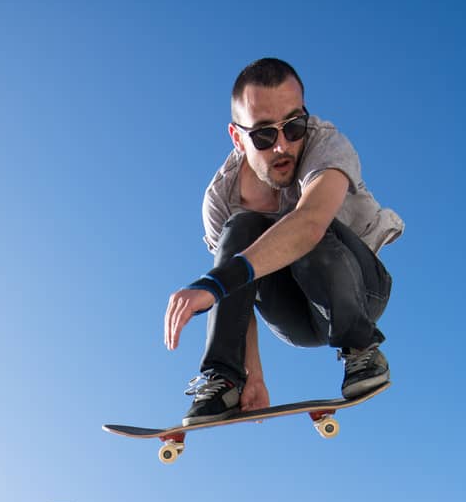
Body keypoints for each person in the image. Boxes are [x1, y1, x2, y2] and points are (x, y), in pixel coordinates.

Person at [164, 57, 403, 425]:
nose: (282, 147)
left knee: (302, 231)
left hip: (358, 292)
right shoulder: (220, 199)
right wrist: (252, 374)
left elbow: (308, 225)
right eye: (263, 135)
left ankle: (360, 348)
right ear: (237, 138)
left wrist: (213, 284)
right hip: (293, 316)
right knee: (240, 228)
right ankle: (224, 379)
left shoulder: (327, 145)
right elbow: (238, 297)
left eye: (293, 126)